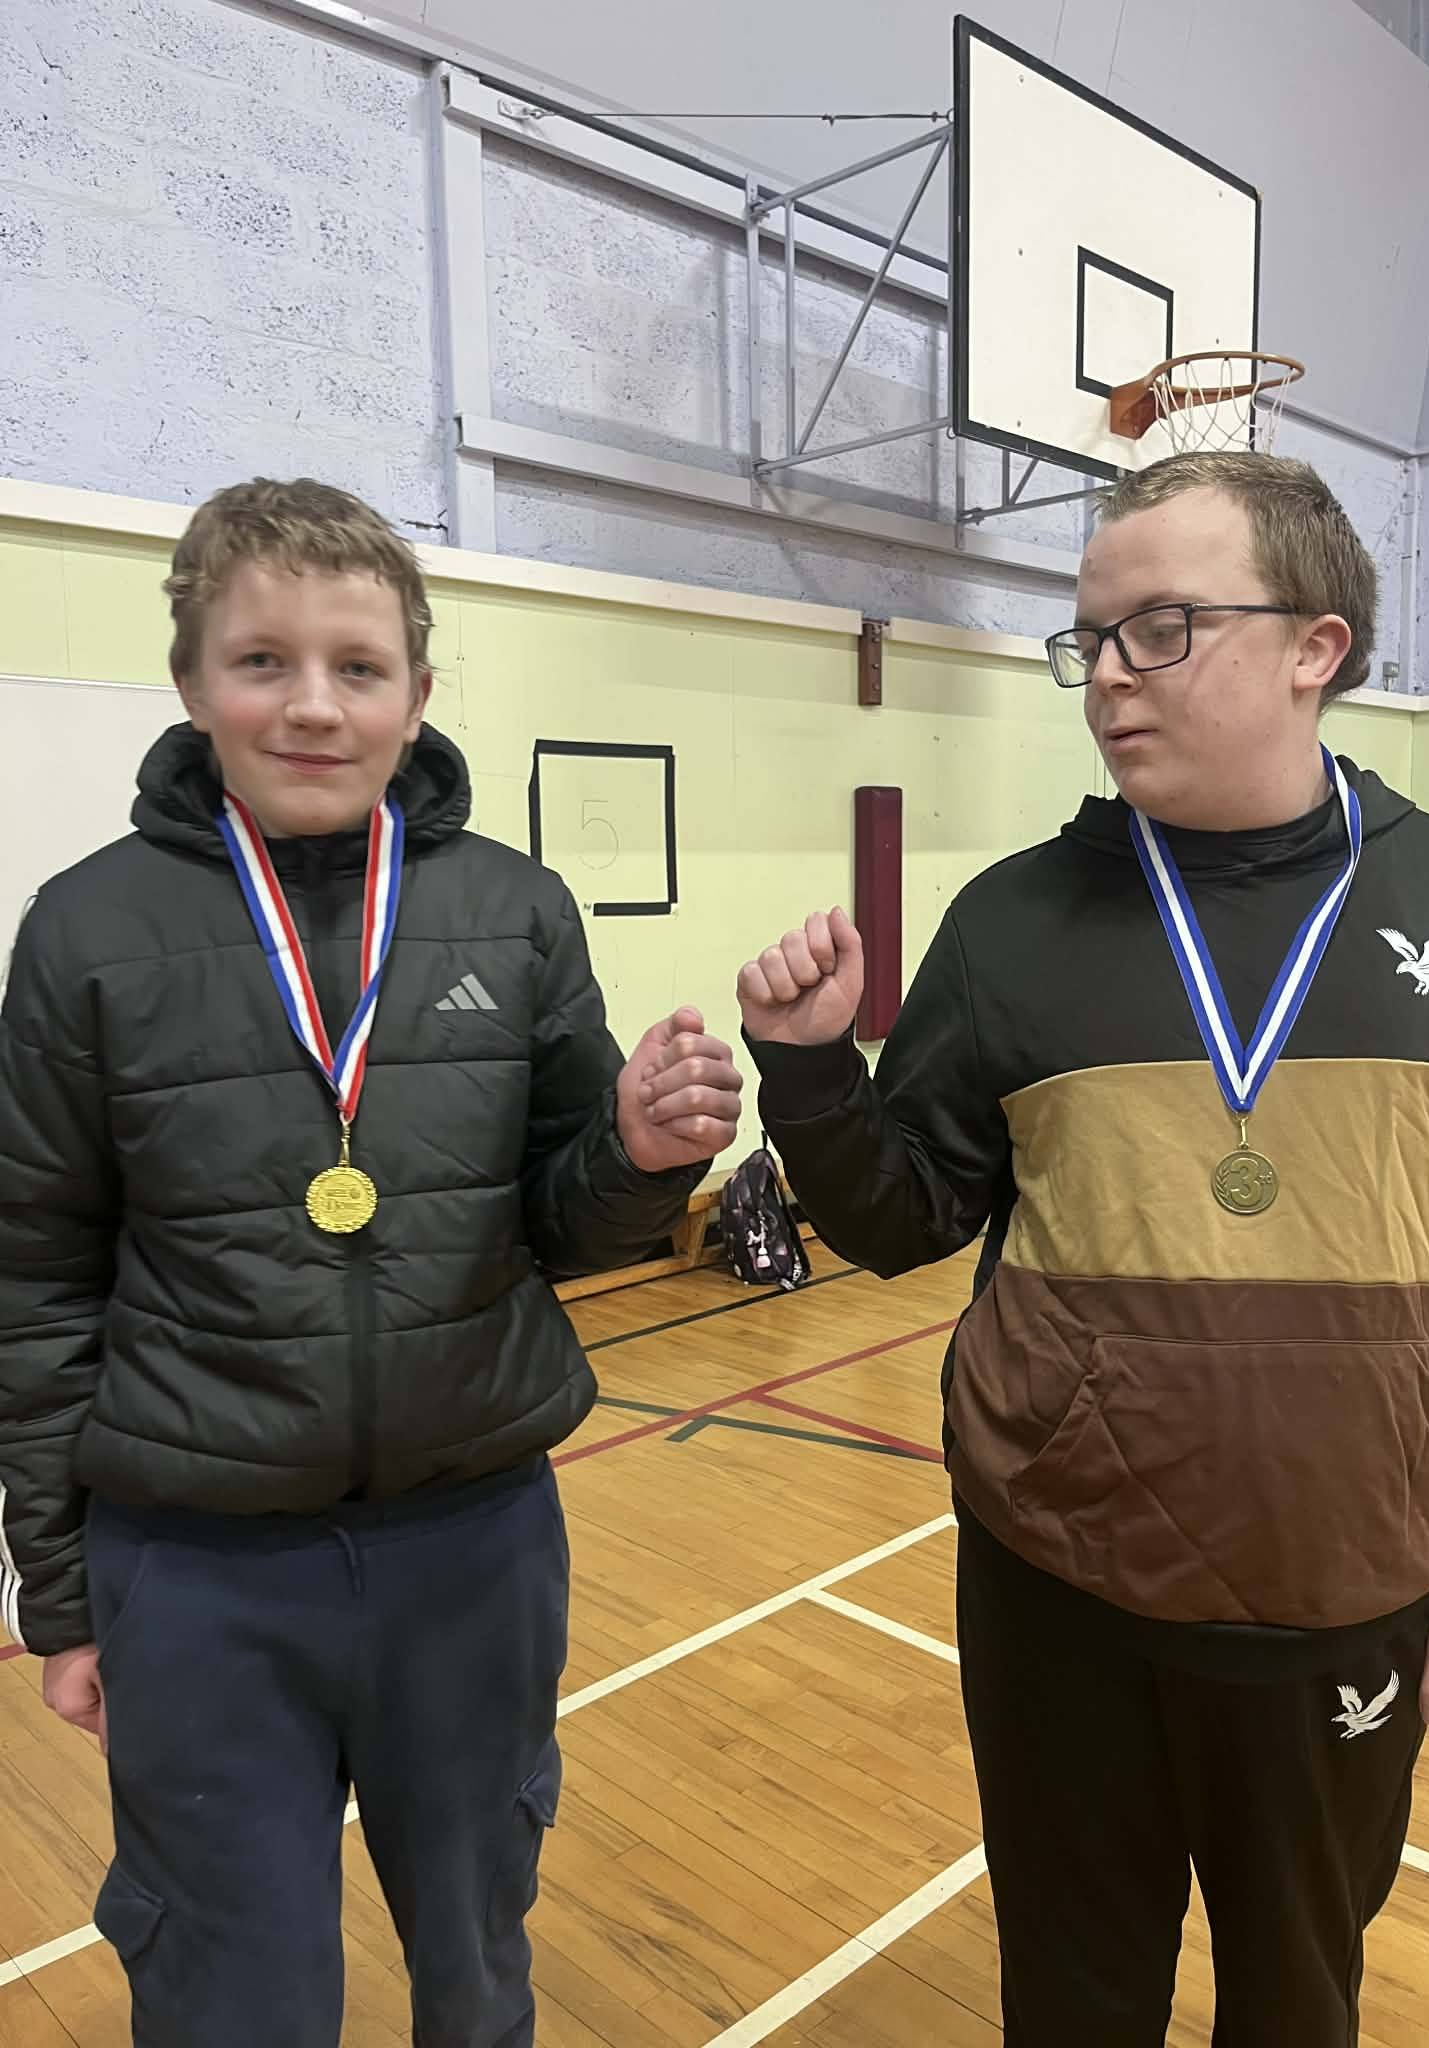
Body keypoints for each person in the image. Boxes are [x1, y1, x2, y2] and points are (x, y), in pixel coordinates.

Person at [736, 451, 1429, 2046]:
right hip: (1058, 1585)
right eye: (1089, 637)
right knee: (1073, 1999)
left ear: (1315, 645)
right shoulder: (1011, 923)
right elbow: (900, 1223)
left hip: (1345, 1592)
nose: (1106, 675)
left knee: (1297, 1999)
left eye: (1159, 628)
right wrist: (813, 1073)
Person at [0, 477, 743, 2048]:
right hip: (196, 1571)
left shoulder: (514, 913)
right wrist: (61, 1596)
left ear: (418, 689)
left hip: (473, 1552)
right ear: (192, 682)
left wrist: (639, 1156)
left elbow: (563, 1223)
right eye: (262, 661)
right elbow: (38, 1281)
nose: (314, 706)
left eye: (359, 666)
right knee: (230, 1996)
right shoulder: (85, 932)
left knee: (476, 1970)